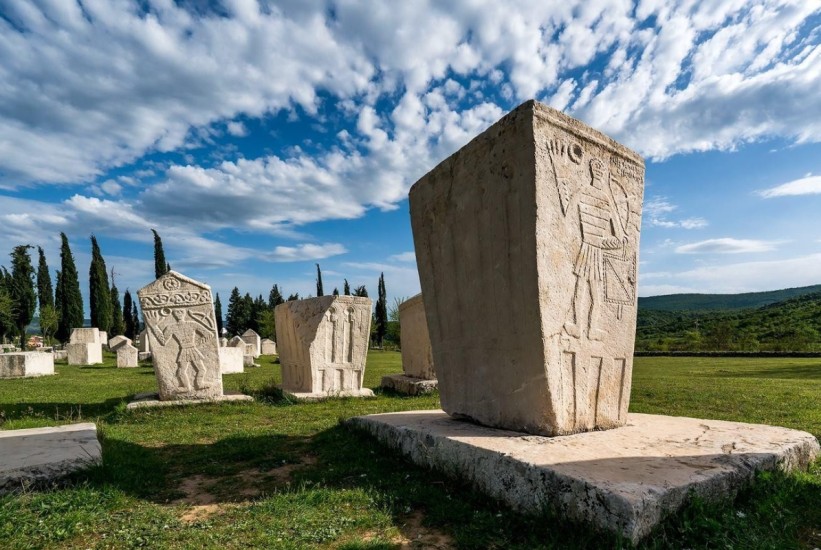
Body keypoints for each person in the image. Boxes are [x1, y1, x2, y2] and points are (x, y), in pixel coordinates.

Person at [564, 158, 627, 341]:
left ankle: (591, 328)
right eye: (596, 169)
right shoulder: (583, 192)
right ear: (592, 171)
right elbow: (568, 217)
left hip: (595, 249)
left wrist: (600, 242)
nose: (598, 173)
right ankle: (578, 326)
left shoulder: (604, 199)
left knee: (594, 293)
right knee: (582, 288)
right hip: (587, 248)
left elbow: (620, 238)